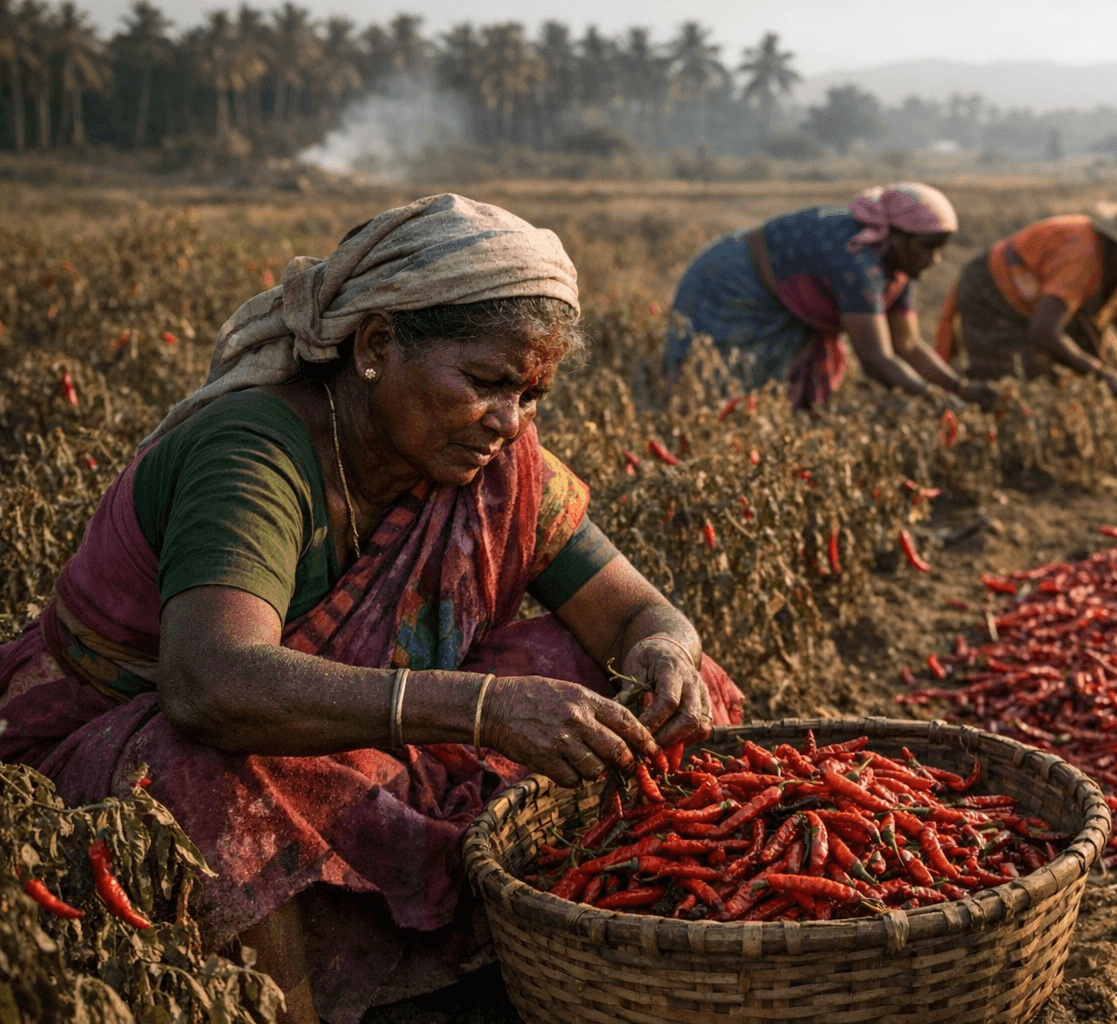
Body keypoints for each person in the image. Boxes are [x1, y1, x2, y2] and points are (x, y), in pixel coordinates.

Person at [0, 194, 744, 1024]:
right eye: (486, 382)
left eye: (532, 395)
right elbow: (208, 684)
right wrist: (486, 709)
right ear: (378, 345)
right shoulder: (255, 451)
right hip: (122, 745)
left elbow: (642, 616)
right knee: (211, 775)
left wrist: (668, 656)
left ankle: (533, 952)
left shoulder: (493, 466)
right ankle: (289, 1003)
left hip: (354, 726)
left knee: (636, 685)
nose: (510, 423)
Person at [665, 181, 997, 409]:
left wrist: (961, 388)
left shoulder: (897, 267)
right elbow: (876, 360)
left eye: (940, 250)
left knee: (774, 391)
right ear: (897, 237)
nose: (934, 260)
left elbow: (908, 346)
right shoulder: (857, 260)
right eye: (928, 249)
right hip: (733, 281)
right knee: (722, 380)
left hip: (780, 295)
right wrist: (937, 402)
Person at [934, 193, 1117, 429]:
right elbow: (1044, 331)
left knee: (1112, 373)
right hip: (996, 291)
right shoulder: (1082, 255)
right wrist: (1097, 372)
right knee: (1023, 374)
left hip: (1044, 306)